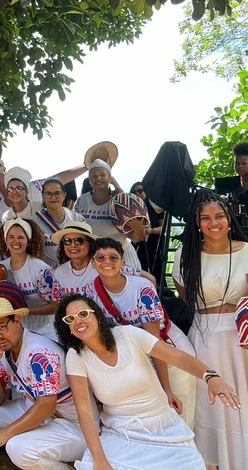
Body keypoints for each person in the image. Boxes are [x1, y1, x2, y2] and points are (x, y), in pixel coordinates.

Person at [56, 294, 240, 470]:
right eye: (70, 319)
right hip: (122, 433)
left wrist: (210, 376)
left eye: (83, 314)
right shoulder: (76, 356)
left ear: (96, 314)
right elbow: (84, 410)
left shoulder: (128, 335)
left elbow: (177, 357)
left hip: (164, 428)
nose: (77, 321)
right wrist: (99, 459)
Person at [173, 189, 248, 469]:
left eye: (219, 216)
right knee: (210, 406)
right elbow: (186, 298)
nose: (213, 223)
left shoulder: (247, 251)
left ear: (229, 217)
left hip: (241, 338)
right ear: (196, 221)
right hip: (204, 336)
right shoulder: (185, 255)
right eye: (205, 218)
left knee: (244, 401)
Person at [87, 237, 197, 427]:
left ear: (122, 263)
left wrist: (167, 389)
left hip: (167, 349)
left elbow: (153, 340)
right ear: (93, 263)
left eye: (113, 258)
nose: (107, 262)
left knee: (178, 411)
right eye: (100, 258)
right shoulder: (91, 293)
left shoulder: (142, 288)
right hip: (135, 356)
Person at [0, 298, 90, 470]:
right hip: (43, 417)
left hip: (74, 426)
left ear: (17, 320)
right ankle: (40, 447)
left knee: (17, 448)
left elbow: (47, 406)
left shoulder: (39, 353)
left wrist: (4, 435)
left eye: (2, 327)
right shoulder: (6, 350)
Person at [52, 222, 152, 298]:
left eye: (79, 241)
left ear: (90, 244)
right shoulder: (59, 272)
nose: (72, 245)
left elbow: (149, 278)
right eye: (67, 241)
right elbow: (57, 304)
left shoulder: (105, 265)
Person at [73, 160, 142, 269]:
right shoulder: (81, 201)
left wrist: (138, 229)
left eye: (103, 175)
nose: (98, 178)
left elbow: (136, 237)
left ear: (110, 178)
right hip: (92, 258)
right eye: (94, 176)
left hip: (121, 257)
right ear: (89, 180)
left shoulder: (120, 201)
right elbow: (76, 231)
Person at [0, 218, 59, 340]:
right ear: (5, 240)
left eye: (21, 237)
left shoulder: (41, 270)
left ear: (29, 241)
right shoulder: (1, 268)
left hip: (46, 331)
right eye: (11, 237)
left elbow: (56, 306)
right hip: (18, 332)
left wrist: (27, 311)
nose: (16, 241)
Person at [34, 179, 86, 268]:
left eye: (57, 193)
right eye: (48, 194)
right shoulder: (35, 221)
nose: (53, 197)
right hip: (46, 272)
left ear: (64, 195)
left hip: (73, 269)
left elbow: (85, 247)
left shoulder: (78, 219)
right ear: (43, 196)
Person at [129, 181, 164, 281]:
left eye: (140, 191)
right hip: (138, 244)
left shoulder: (156, 207)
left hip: (155, 243)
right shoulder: (130, 209)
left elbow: (163, 228)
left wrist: (150, 231)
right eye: (134, 192)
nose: (137, 194)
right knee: (139, 271)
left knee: (158, 272)